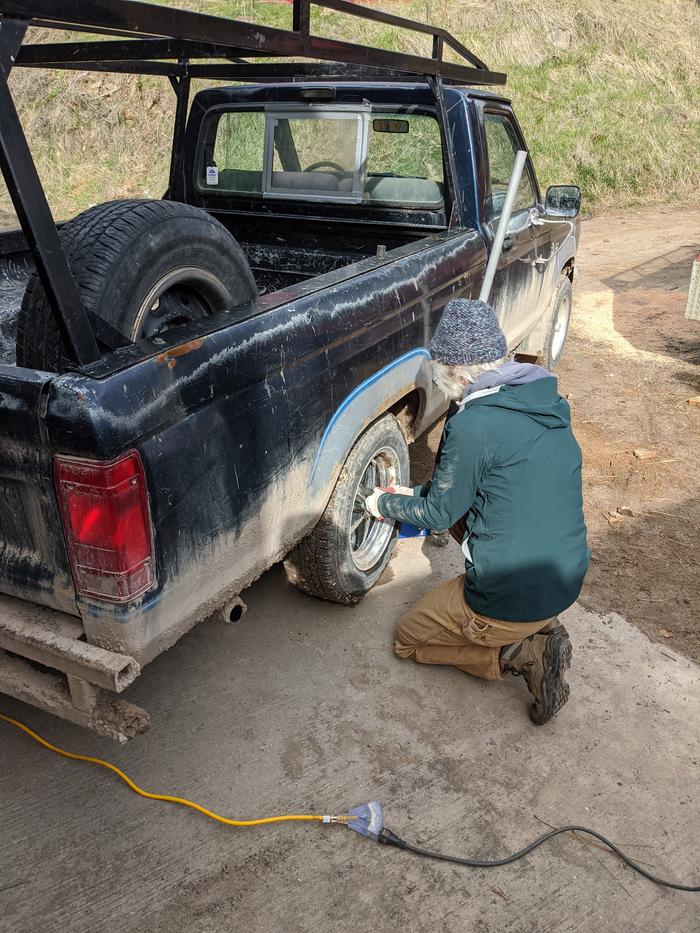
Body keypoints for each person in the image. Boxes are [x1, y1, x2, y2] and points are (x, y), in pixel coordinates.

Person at [365, 298, 590, 724]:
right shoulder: (541, 400)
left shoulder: (473, 423)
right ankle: (537, 626)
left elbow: (437, 514)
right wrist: (414, 491)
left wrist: (383, 502)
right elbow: (475, 484)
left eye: (440, 373)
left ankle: (519, 652)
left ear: (461, 372)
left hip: (509, 595)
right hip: (565, 575)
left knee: (408, 639)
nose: (440, 385)